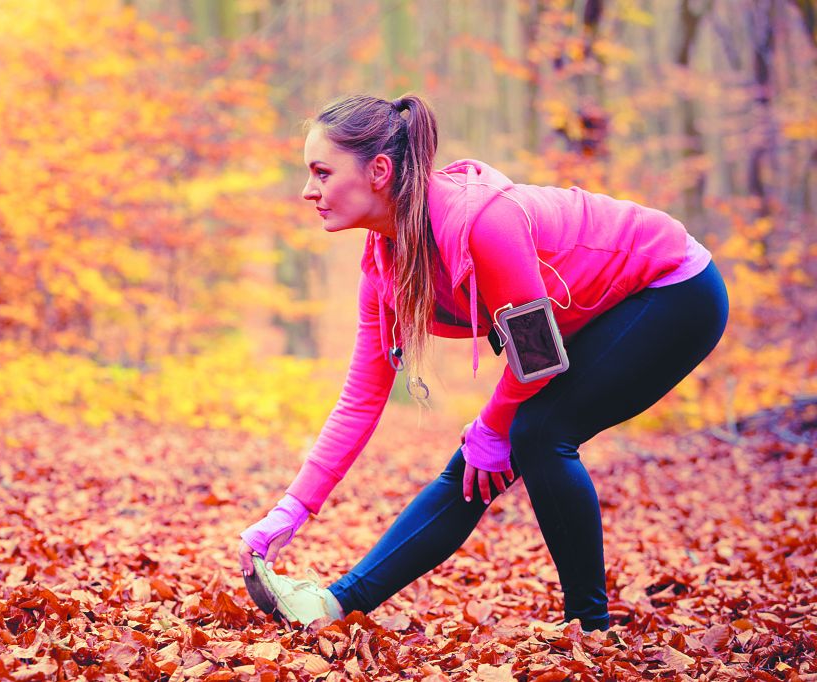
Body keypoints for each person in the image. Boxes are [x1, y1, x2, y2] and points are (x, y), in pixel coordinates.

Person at [237, 94, 728, 633]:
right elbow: (359, 400)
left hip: (674, 289)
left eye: (322, 172)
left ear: (378, 171)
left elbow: (535, 356)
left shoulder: (482, 225)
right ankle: (336, 604)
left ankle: (591, 627)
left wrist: (493, 425)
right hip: (582, 319)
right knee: (484, 457)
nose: (309, 190)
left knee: (538, 432)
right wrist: (292, 509)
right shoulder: (384, 267)